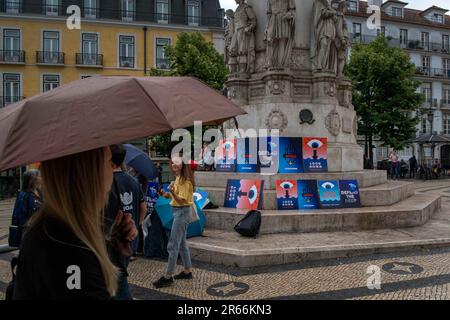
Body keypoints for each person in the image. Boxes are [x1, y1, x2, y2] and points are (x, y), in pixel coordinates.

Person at [13, 147, 138, 299]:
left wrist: (109, 247)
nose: (112, 172)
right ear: (88, 173)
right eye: (109, 163)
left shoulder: (53, 229)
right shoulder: (69, 246)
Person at [104, 144, 147, 300]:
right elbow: (143, 207)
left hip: (112, 243)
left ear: (110, 162)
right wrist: (136, 224)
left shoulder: (106, 184)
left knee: (117, 283)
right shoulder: (133, 181)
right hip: (129, 240)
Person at [153, 156, 195, 288]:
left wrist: (172, 192)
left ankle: (168, 276)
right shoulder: (177, 178)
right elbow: (172, 197)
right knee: (182, 244)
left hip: (182, 212)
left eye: (177, 163)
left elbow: (182, 200)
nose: (173, 164)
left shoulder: (185, 181)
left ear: (183, 165)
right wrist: (164, 193)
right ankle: (187, 271)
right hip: (179, 212)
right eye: (173, 162)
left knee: (172, 245)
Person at [9, 170, 43, 247]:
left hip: (40, 230)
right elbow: (20, 216)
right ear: (32, 179)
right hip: (30, 232)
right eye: (39, 176)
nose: (41, 178)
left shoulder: (39, 192)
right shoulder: (24, 195)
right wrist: (30, 226)